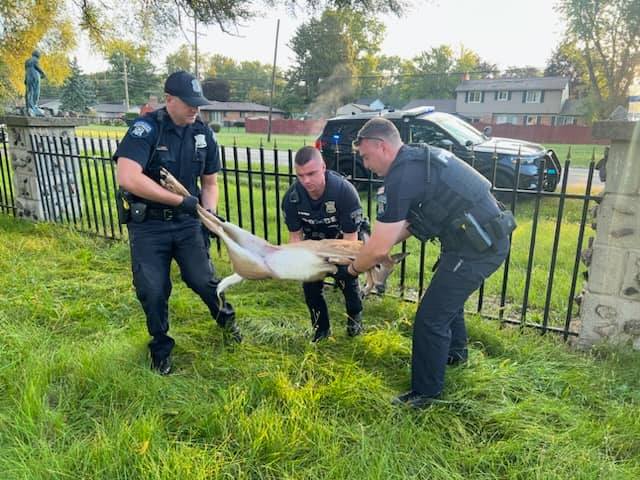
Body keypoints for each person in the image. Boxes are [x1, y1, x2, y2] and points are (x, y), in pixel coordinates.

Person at [336, 118, 515, 408]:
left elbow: (381, 245)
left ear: (381, 146)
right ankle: (455, 355)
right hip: (472, 240)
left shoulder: (402, 175)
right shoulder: (419, 160)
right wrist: (370, 250)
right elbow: (405, 227)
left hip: (477, 248)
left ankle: (426, 393)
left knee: (430, 318)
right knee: (446, 301)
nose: (365, 165)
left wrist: (352, 270)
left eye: (366, 156)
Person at [114, 70, 241, 375]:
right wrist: (178, 200)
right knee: (153, 289)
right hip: (149, 227)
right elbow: (128, 177)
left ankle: (227, 320)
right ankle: (160, 348)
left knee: (204, 279)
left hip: (187, 225)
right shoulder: (146, 129)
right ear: (169, 100)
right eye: (189, 103)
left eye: (198, 103)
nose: (195, 108)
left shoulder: (203, 135)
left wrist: (208, 212)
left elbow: (209, 182)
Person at [282, 146, 365, 342]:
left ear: (323, 167)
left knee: (347, 279)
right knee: (310, 286)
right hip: (314, 246)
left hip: (342, 243)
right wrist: (302, 262)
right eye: (300, 175)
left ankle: (355, 317)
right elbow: (295, 237)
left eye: (311, 173)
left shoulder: (344, 191)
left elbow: (350, 238)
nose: (306, 180)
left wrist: (335, 261)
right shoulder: (292, 198)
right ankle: (321, 330)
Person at [24, 50, 46, 117]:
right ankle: (34, 107)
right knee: (36, 91)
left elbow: (26, 70)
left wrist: (25, 79)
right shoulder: (35, 60)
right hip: (35, 76)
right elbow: (38, 68)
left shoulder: (27, 61)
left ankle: (29, 107)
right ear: (37, 55)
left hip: (28, 77)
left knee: (29, 91)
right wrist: (43, 73)